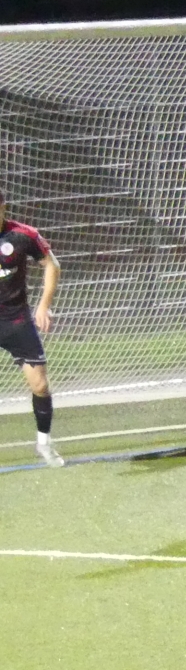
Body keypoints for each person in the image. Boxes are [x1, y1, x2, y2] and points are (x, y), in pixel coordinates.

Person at [0, 191, 63, 467]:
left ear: (3, 207)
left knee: (40, 385)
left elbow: (51, 264)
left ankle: (44, 443)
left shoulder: (22, 235)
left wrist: (44, 306)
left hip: (16, 320)